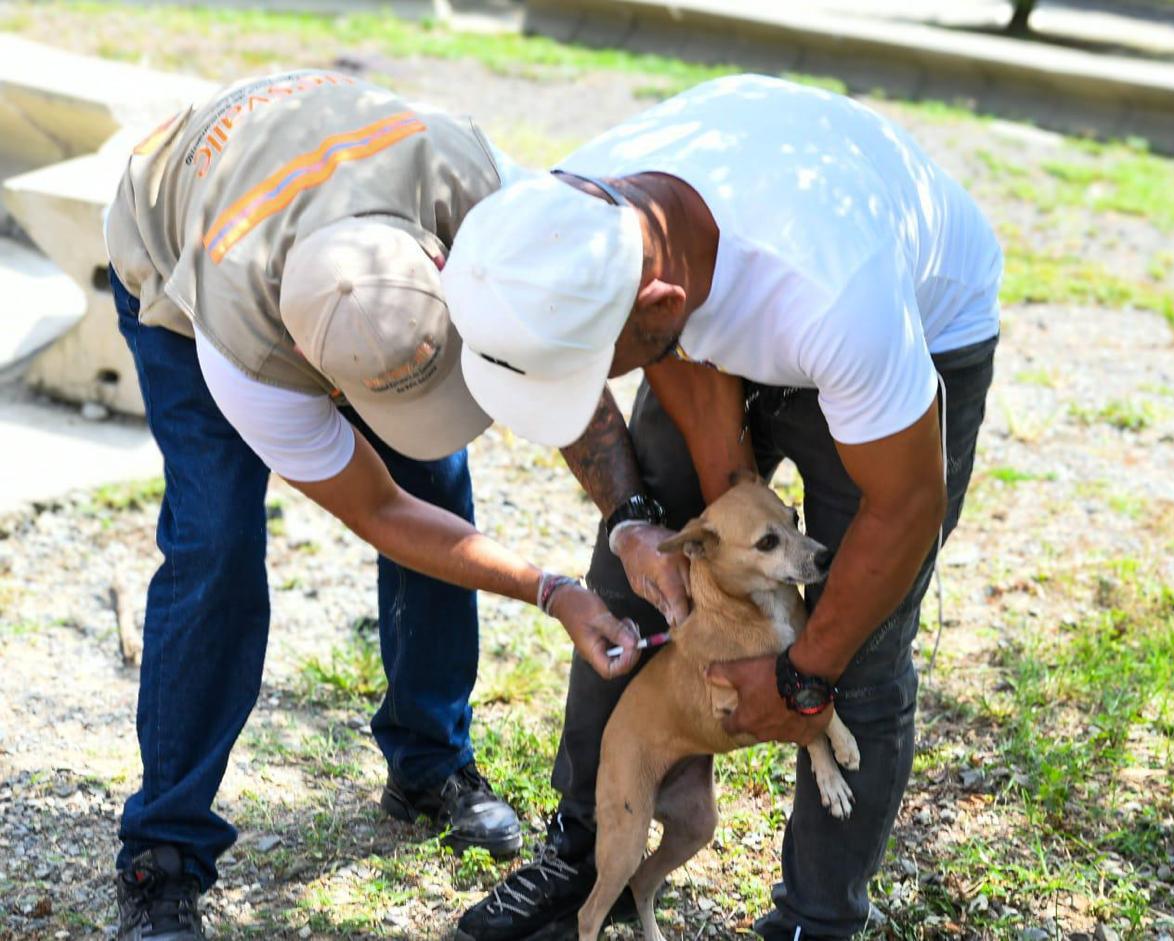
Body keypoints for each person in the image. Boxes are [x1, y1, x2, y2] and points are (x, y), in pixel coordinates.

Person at [441, 74, 1003, 940]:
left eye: (597, 366)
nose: (595, 386)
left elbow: (906, 508)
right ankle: (587, 854)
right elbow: (685, 374)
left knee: (861, 646)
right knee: (645, 572)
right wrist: (711, 504)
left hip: (911, 332)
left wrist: (801, 674)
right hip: (719, 305)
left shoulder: (834, 295)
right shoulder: (578, 216)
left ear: (657, 308)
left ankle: (816, 918)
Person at [103, 70, 640, 941]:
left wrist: (631, 510)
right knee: (215, 545)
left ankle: (429, 760)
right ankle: (160, 852)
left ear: (443, 263)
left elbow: (557, 351)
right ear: (315, 370)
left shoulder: (468, 180)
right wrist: (552, 589)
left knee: (439, 478)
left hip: (333, 181)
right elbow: (380, 514)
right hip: (176, 250)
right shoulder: (244, 356)